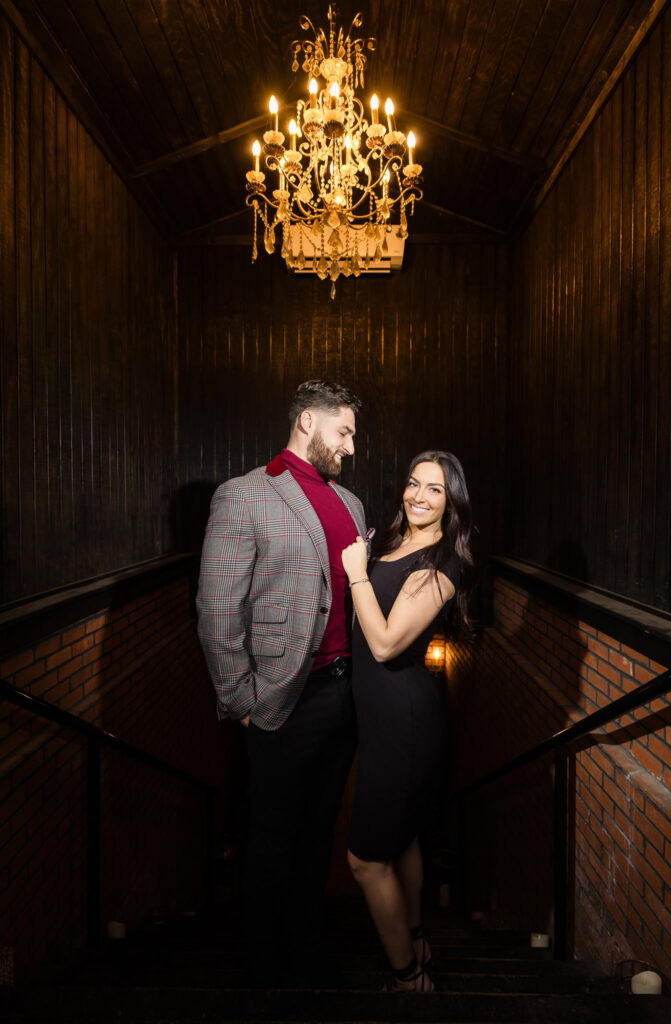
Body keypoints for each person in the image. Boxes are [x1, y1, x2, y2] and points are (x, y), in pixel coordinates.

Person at [196, 380, 366, 987]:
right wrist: (240, 699)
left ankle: (306, 945)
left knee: (320, 831)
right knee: (271, 837)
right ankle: (265, 967)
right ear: (307, 423)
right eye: (342, 432)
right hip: (280, 700)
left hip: (344, 699)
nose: (349, 446)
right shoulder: (243, 496)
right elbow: (218, 608)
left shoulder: (351, 505)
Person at [340, 450, 474, 992]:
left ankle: (408, 976)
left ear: (453, 502)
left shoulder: (443, 563)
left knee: (365, 861)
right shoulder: (398, 541)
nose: (418, 496)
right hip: (383, 717)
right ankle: (415, 938)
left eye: (435, 490)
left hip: (405, 722)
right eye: (414, 483)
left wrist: (355, 574)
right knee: (404, 840)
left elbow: (386, 641)